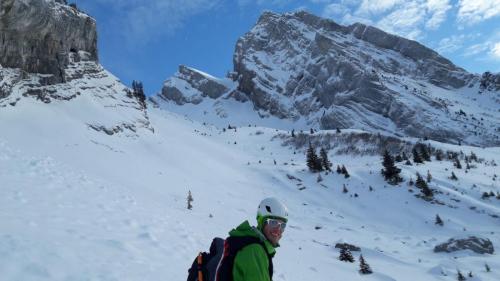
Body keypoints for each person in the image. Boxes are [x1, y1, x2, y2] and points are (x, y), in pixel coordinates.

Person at [226, 197, 288, 281]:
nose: (278, 230)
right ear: (261, 222)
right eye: (273, 223)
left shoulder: (251, 244)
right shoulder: (255, 250)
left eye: (282, 225)